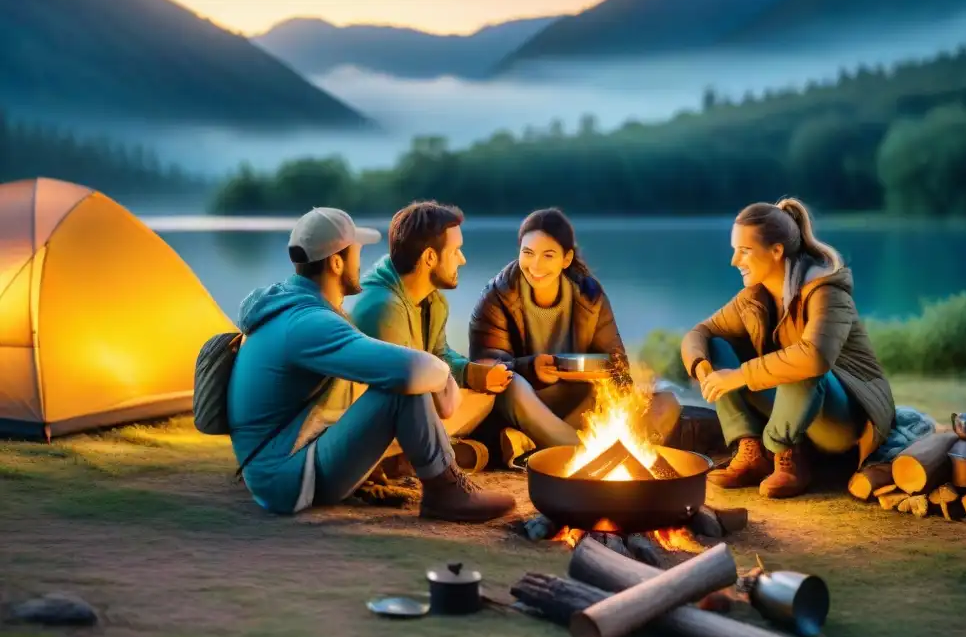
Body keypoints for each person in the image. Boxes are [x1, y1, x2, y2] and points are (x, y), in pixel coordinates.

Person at [225, 206, 515, 522]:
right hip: (287, 478)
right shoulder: (309, 323)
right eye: (355, 252)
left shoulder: (295, 308)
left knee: (400, 382)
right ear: (336, 262)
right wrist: (445, 378)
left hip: (285, 460)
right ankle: (445, 491)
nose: (360, 261)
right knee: (401, 388)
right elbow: (411, 370)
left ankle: (437, 480)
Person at [680, 197, 896, 499]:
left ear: (777, 251)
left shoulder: (826, 291)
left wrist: (738, 375)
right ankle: (751, 450)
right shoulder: (755, 296)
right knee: (715, 345)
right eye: (734, 250)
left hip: (843, 423)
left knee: (803, 360)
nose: (734, 261)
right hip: (795, 405)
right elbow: (698, 333)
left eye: (744, 251)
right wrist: (702, 366)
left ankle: (785, 453)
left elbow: (815, 357)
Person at [469, 207, 681, 464]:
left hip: (575, 407)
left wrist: (597, 371)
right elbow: (487, 368)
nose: (536, 265)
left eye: (548, 255)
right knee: (511, 383)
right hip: (524, 403)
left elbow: (618, 364)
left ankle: (534, 447)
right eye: (528, 253)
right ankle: (589, 457)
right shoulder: (497, 295)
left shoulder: (589, 296)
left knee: (665, 397)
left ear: (566, 259)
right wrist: (532, 368)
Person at [351, 201, 513, 471]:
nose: (463, 259)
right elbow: (400, 396)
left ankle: (422, 454)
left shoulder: (432, 300)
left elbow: (438, 354)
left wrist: (474, 374)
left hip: (422, 399)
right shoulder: (383, 309)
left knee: (485, 394)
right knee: (452, 406)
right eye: (456, 251)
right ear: (429, 257)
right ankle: (404, 459)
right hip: (378, 422)